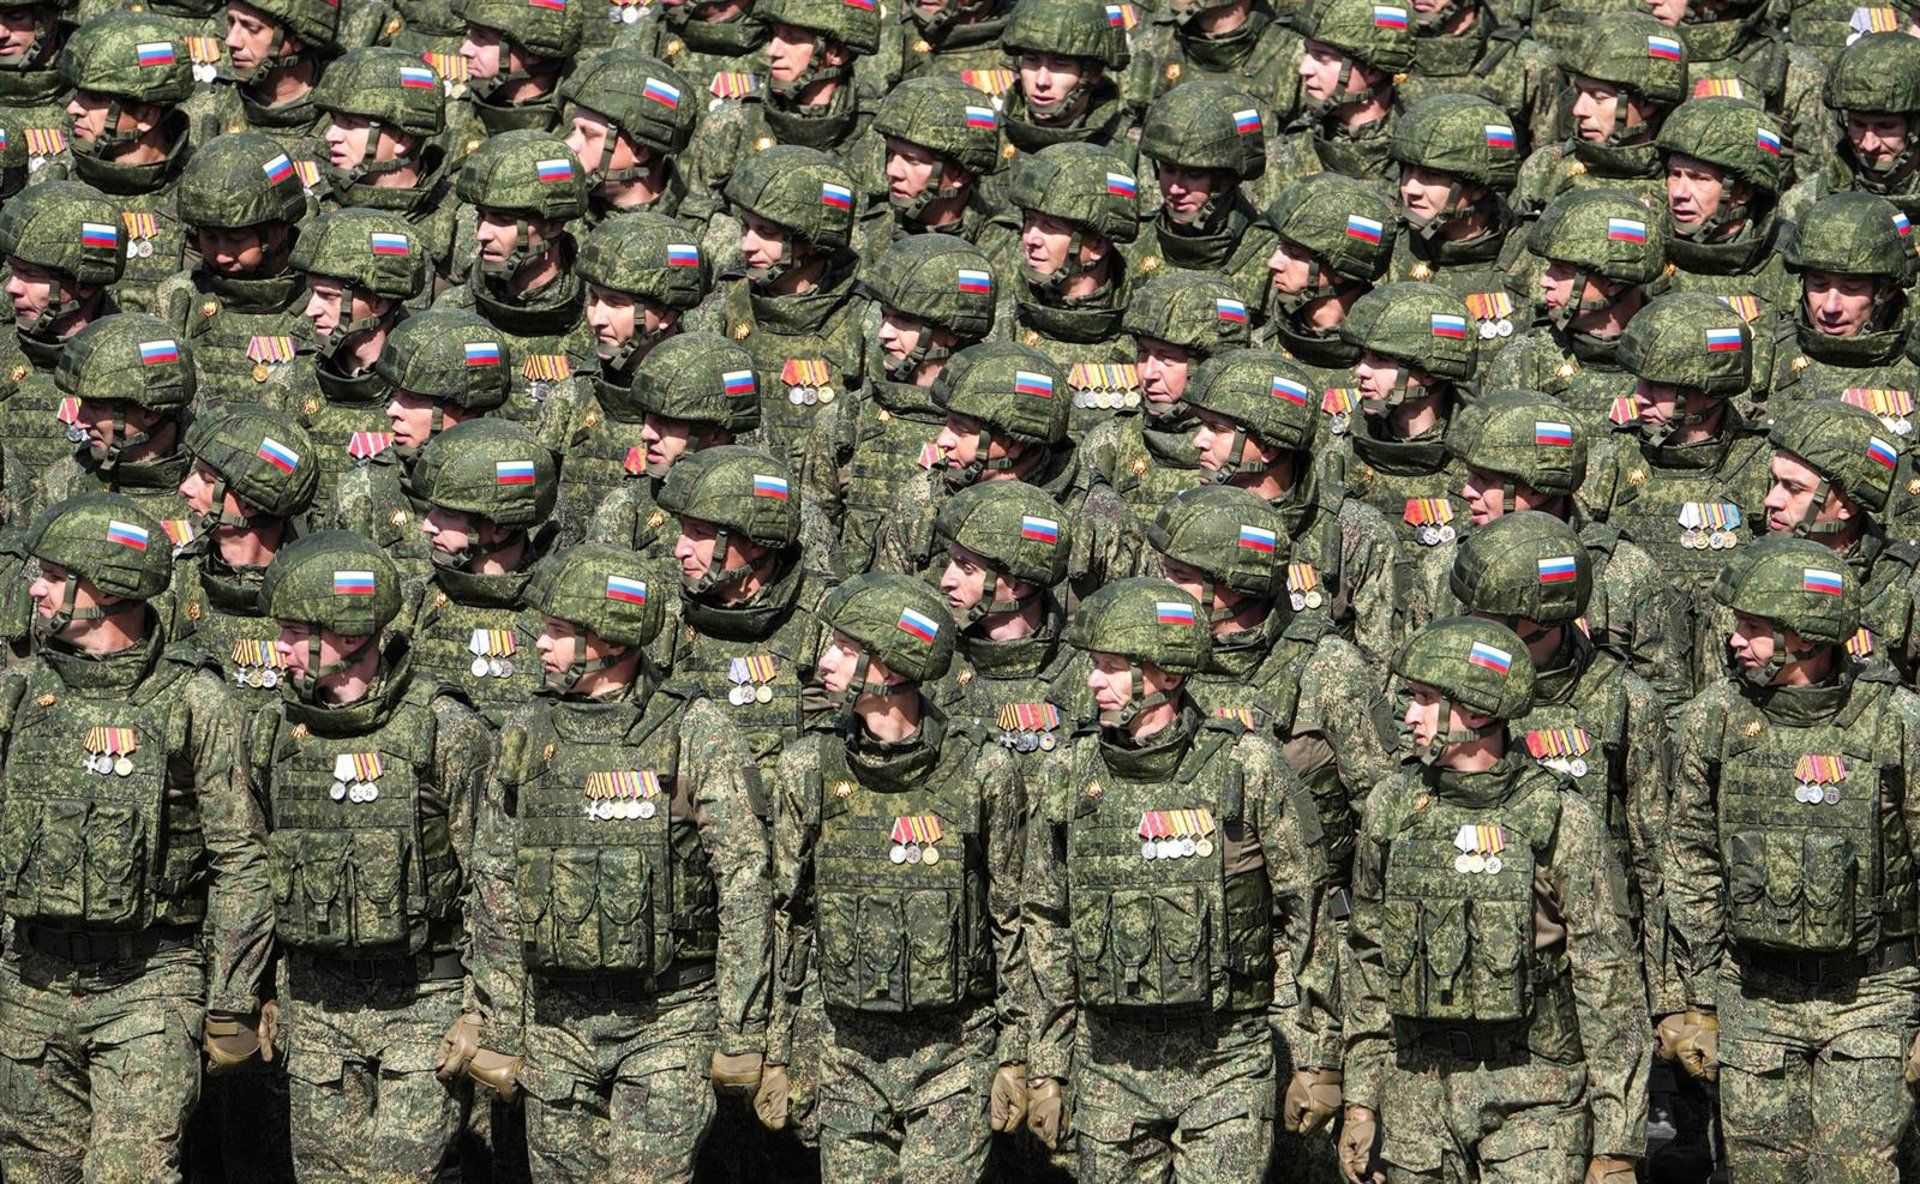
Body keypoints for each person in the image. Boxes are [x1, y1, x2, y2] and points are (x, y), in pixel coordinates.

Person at [457, 541, 772, 1181]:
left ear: (608, 641)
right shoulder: (525, 732)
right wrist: (502, 1026)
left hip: (668, 1021)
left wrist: (740, 1032)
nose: (539, 644)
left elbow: (743, 882)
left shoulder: (695, 732)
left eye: (557, 632)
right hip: (557, 1024)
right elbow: (495, 884)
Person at [1024, 577, 1334, 1182]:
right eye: (1093, 665)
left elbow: (1308, 909)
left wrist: (1316, 1054)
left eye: (1111, 667)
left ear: (1166, 675)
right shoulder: (1068, 770)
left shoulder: (1246, 764)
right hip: (1109, 1061)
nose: (1092, 682)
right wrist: (1047, 1064)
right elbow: (1045, 920)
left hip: (1226, 1058)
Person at [0, 494, 264, 1184]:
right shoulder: (19, 690)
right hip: (29, 983)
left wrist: (231, 997)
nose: (34, 589)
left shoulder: (193, 701)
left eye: (53, 575)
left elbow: (240, 859)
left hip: (148, 986)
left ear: (110, 586)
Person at [1339, 615, 1647, 1184]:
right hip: (1417, 1097)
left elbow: (1608, 979)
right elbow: (1368, 957)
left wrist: (1617, 1143)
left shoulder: (1559, 816)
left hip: (1535, 1099)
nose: (1409, 716)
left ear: (1478, 712)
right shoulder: (1391, 806)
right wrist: (1361, 1098)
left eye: (1425, 699)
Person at [755, 572, 1027, 1182]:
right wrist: (780, 1051)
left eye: (845, 649)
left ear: (894, 665)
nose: (824, 662)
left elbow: (1012, 919)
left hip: (955, 1053)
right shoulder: (809, 766)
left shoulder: (983, 772)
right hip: (846, 1057)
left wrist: (1016, 1055)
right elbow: (789, 916)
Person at [1667, 535, 1920, 1183]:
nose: (1734, 641)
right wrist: (1698, 1000)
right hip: (1755, 995)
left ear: (1806, 638)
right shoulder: (1714, 720)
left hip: (1872, 998)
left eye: (1753, 629)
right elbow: (1692, 861)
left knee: (1855, 1172)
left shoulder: (1897, 723)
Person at [249, 530, 493, 1180]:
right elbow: (251, 866)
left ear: (351, 634)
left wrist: (483, 1011)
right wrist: (256, 990)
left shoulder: (445, 729)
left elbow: (491, 881)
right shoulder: (273, 730)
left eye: (294, 632)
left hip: (423, 1004)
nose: (278, 648)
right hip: (316, 1008)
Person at [1583, 292, 1773, 703]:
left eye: (1657, 385)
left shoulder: (1762, 466)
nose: (1639, 396)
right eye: (1639, 381)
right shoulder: (1611, 459)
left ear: (1706, 389)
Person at [1182, 347, 1400, 664]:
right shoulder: (1187, 518)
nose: (1198, 441)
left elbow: (1383, 662)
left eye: (1216, 429)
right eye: (1202, 425)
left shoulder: (1355, 532)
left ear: (1268, 446)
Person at [408, 418, 559, 725]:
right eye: (431, 510)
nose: (427, 525)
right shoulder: (416, 602)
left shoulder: (558, 614)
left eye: (447, 514)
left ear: (500, 529)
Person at [152, 132, 316, 406]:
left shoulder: (319, 298)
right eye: (209, 238)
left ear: (276, 232)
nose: (222, 254)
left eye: (237, 240)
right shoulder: (179, 296)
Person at [52, 13, 196, 313]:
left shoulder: (199, 190)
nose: (73, 108)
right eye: (77, 94)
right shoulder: (55, 181)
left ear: (146, 117)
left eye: (94, 99)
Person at [0, 182, 126, 518]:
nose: (12, 287)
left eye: (29, 274)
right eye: (12, 269)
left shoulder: (135, 366)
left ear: (83, 284)